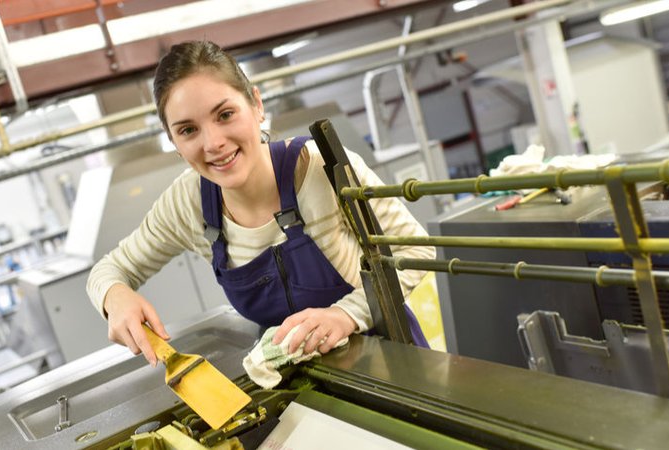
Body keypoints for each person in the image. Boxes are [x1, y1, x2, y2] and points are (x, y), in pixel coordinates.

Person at [86, 40, 436, 367]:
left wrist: (347, 314)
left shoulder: (321, 168)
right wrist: (114, 297)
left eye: (225, 114)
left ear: (256, 105)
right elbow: (108, 271)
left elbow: (416, 250)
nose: (213, 143)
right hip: (301, 383)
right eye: (188, 130)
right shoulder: (188, 204)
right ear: (174, 142)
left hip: (390, 362)